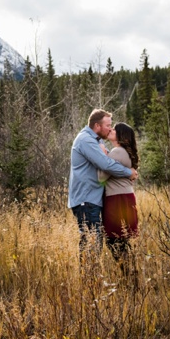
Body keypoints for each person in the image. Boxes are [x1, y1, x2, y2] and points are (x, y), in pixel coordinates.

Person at [68, 109, 138, 256]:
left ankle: (97, 275)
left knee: (99, 239)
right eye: (108, 125)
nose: (110, 129)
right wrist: (129, 172)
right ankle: (89, 276)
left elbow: (109, 161)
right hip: (86, 200)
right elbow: (107, 165)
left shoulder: (97, 141)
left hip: (94, 200)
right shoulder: (86, 140)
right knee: (92, 240)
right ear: (97, 126)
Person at [98, 122, 140, 275]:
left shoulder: (117, 152)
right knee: (121, 241)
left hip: (117, 199)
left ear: (121, 136)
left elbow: (101, 177)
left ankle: (129, 275)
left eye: (114, 129)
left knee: (114, 240)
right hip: (124, 198)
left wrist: (103, 155)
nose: (111, 130)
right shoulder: (122, 153)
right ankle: (131, 274)